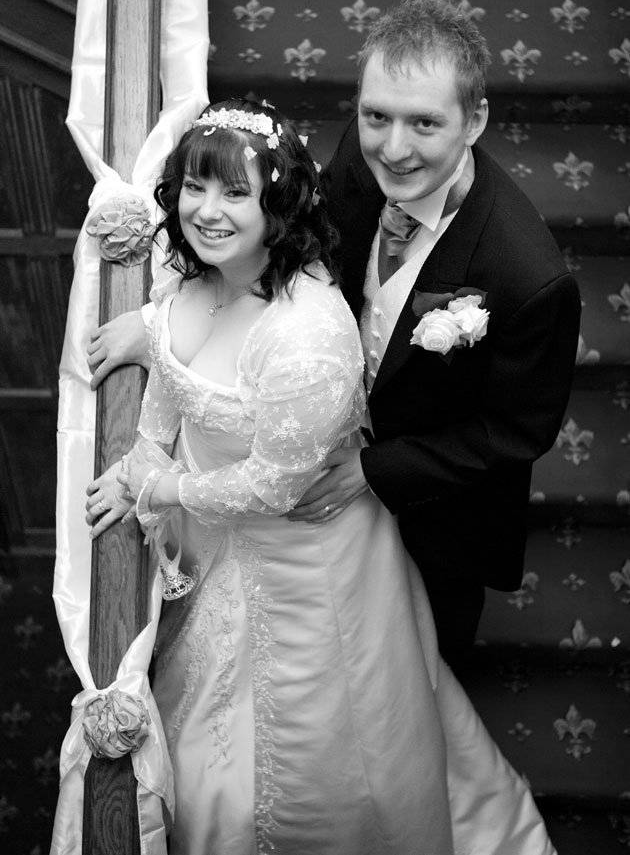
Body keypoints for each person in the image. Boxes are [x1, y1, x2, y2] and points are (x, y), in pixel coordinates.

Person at [85, 97, 557, 854]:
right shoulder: (192, 274)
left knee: (317, 756)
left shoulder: (306, 335)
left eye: (235, 192)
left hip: (303, 559)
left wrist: (156, 486)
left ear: (276, 205)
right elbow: (171, 383)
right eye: (195, 188)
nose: (207, 211)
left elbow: (273, 488)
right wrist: (142, 425)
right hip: (219, 542)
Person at [88, 0, 582, 678]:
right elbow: (287, 249)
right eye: (377, 115)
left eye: (425, 123)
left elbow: (513, 431)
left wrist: (372, 471)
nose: (394, 147)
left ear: (475, 121)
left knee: (419, 670)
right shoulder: (361, 151)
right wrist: (159, 329)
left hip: (436, 506)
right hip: (311, 425)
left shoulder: (528, 279)